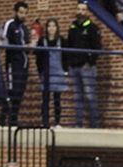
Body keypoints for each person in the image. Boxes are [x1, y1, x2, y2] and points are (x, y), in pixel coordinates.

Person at [65, 0, 102, 129]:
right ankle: (78, 124)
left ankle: (94, 124)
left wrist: (90, 62)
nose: (80, 12)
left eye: (83, 10)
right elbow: (68, 46)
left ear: (87, 12)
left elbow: (97, 48)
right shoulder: (72, 27)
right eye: (79, 9)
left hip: (87, 68)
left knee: (90, 96)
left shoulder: (92, 28)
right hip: (74, 67)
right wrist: (68, 64)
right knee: (77, 98)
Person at [3, 1, 29, 127]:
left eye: (25, 13)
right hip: (13, 64)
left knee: (20, 92)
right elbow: (4, 41)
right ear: (16, 12)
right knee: (12, 91)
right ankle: (5, 118)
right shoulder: (10, 25)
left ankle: (14, 120)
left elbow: (27, 45)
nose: (23, 15)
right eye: (21, 12)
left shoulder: (24, 27)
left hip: (24, 65)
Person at [36, 18, 66, 126]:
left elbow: (65, 57)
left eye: (54, 26)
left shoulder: (61, 41)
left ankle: (57, 122)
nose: (51, 28)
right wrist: (40, 72)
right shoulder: (42, 41)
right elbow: (38, 58)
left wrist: (65, 70)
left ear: (57, 28)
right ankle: (45, 122)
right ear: (46, 28)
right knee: (45, 99)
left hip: (58, 72)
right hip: (46, 73)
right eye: (49, 26)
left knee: (57, 99)